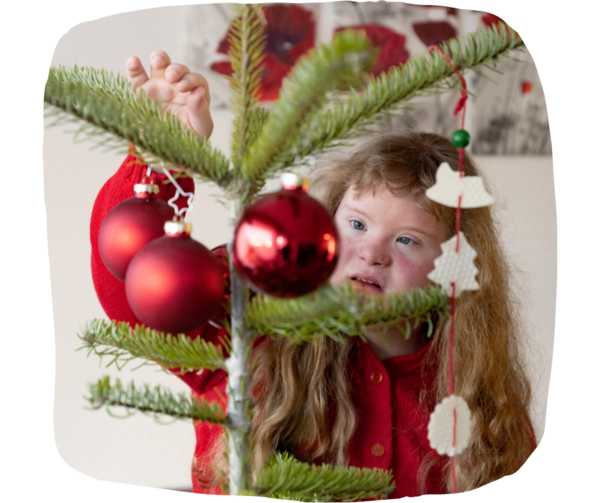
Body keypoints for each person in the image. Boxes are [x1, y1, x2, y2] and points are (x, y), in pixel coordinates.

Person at [90, 51, 537, 499]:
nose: (371, 253)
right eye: (357, 224)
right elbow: (133, 288)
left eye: (407, 240)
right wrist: (159, 159)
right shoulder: (252, 324)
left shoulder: (481, 397)